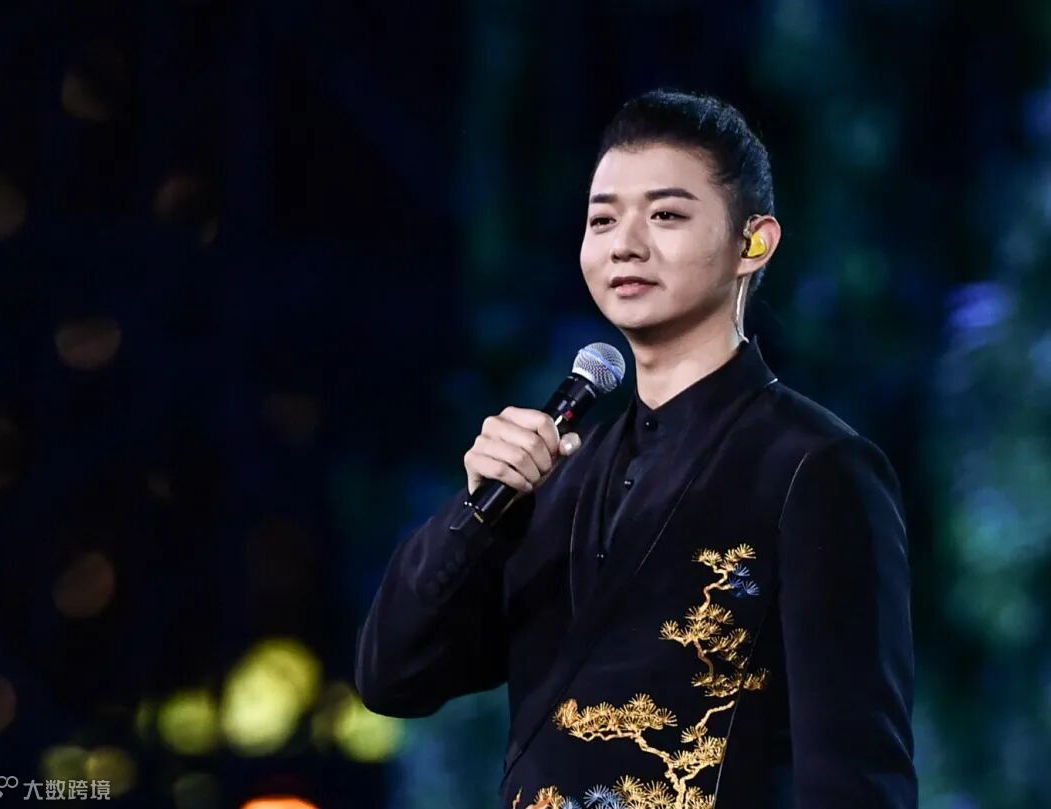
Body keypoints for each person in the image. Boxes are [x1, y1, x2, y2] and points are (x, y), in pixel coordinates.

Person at [355, 89, 916, 809]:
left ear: (753, 242)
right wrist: (475, 513)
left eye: (666, 215)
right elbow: (392, 678)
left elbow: (855, 775)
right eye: (602, 219)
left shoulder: (814, 468)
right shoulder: (555, 479)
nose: (625, 243)